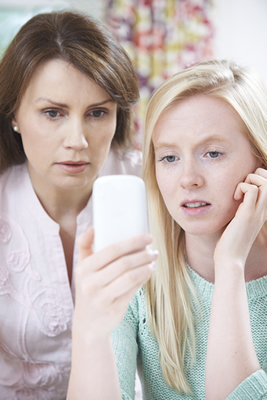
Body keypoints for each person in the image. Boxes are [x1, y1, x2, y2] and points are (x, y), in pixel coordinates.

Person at [68, 59, 267, 400]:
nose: (188, 179)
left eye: (213, 153)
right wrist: (91, 330)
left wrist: (230, 264)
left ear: (260, 162)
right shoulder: (139, 276)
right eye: (170, 158)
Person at [0, 10, 145, 400]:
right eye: (53, 113)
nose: (77, 140)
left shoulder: (155, 184)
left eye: (98, 113)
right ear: (13, 113)